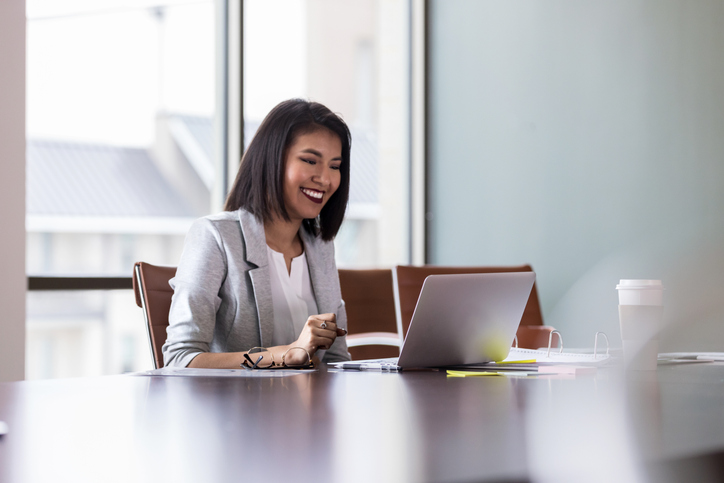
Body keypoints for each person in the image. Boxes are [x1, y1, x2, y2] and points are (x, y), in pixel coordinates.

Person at [163, 99, 352, 368]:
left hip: (311, 407)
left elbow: (335, 359)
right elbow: (179, 360)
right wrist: (284, 354)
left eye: (335, 166)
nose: (325, 179)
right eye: (310, 160)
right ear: (272, 160)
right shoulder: (215, 237)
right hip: (239, 408)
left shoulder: (321, 246)